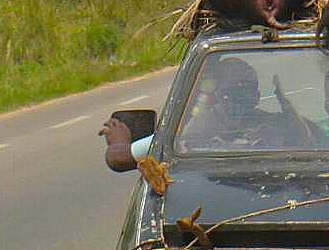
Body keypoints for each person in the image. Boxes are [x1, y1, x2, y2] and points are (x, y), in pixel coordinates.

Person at [100, 56, 316, 171]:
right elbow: (312, 140)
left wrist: (119, 141)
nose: (235, 99)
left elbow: (119, 158)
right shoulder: (189, 130)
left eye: (242, 89)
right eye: (231, 91)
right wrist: (289, 113)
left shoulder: (185, 131)